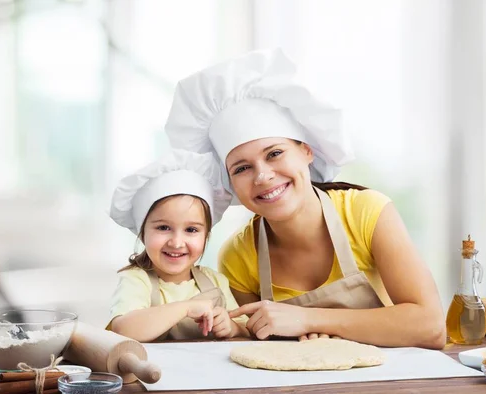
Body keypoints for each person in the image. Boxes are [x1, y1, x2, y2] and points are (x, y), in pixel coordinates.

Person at [164, 49, 446, 349]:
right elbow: (252, 343)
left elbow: (430, 327)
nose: (262, 176)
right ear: (229, 183)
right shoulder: (238, 254)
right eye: (242, 168)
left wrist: (310, 319)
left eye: (274, 153)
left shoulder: (365, 212)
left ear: (307, 151)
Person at [107, 150, 249, 342]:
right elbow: (124, 330)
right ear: (142, 233)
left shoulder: (215, 281)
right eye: (163, 227)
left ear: (206, 235)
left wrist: (232, 327)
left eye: (191, 230)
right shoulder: (136, 281)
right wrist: (185, 308)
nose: (176, 242)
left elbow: (246, 331)